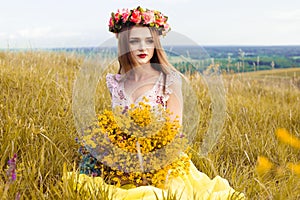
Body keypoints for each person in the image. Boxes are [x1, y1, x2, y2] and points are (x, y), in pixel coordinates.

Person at [68, 6, 245, 200]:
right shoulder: (116, 82)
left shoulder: (168, 80)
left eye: (149, 41)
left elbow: (174, 131)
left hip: (161, 159)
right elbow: (115, 125)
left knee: (156, 195)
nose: (143, 47)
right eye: (135, 41)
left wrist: (147, 160)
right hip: (122, 158)